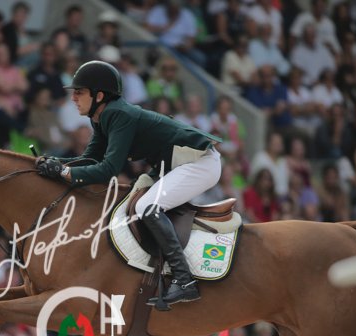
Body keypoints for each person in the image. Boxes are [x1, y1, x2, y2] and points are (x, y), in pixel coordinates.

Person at [36, 61, 221, 307]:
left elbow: (108, 169)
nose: (73, 98)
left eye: (79, 92)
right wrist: (55, 162)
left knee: (147, 207)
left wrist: (64, 172)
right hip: (174, 166)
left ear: (99, 96)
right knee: (132, 201)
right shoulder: (101, 117)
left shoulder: (118, 114)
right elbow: (90, 159)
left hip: (199, 163)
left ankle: (184, 279)